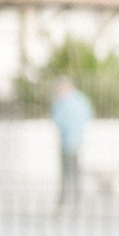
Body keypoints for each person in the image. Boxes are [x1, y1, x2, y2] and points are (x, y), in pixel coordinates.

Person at [49, 77, 92, 205]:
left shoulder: (66, 100)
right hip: (73, 140)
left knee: (69, 171)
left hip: (70, 140)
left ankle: (67, 198)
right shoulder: (79, 99)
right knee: (72, 171)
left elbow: (58, 118)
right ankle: (73, 197)